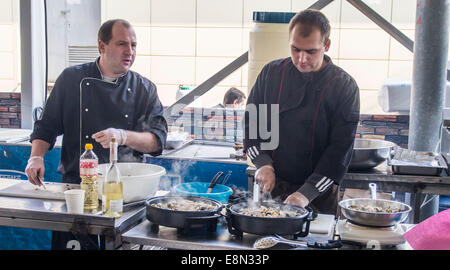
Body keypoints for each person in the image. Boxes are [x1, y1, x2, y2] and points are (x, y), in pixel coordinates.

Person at [25, 19, 168, 249]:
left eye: (133, 45)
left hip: (126, 197)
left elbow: (157, 140)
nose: (129, 52)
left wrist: (123, 136)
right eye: (122, 44)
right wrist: (36, 157)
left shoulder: (144, 88)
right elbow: (47, 126)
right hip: (78, 193)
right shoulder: (71, 80)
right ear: (102, 46)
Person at [243, 9, 360, 215]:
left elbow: (339, 151)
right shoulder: (271, 74)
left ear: (326, 45)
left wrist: (306, 193)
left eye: (311, 51)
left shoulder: (344, 87)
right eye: (295, 49)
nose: (302, 59)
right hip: (272, 187)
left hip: (318, 195)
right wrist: (263, 163)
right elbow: (253, 125)